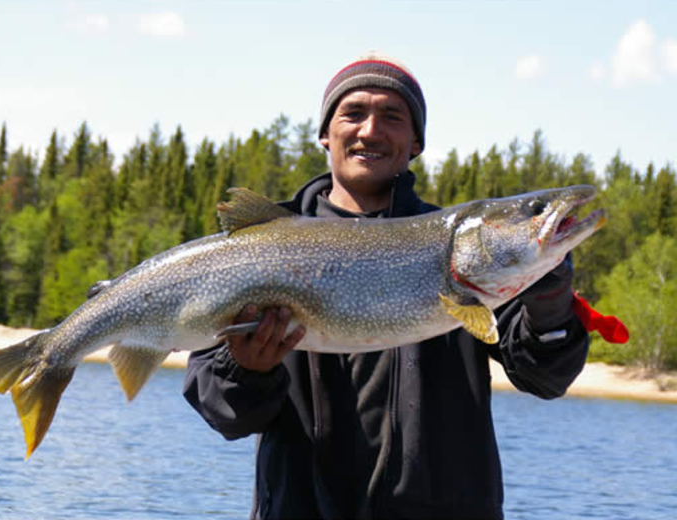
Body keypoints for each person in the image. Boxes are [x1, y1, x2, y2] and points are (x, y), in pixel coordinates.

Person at [183, 53, 589, 520]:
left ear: (416, 141)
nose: (370, 130)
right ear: (324, 133)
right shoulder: (258, 249)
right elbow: (225, 415)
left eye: (392, 117)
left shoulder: (468, 251)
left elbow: (546, 379)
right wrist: (246, 370)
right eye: (353, 113)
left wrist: (551, 301)